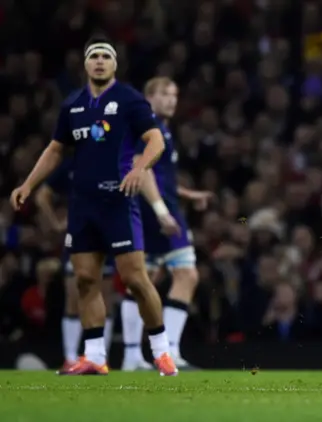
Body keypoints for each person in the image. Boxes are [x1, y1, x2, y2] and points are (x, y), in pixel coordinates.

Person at [10, 35, 177, 376]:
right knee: (86, 279)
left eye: (106, 56)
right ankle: (95, 356)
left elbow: (155, 139)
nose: (100, 61)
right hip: (83, 205)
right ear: (85, 64)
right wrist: (29, 183)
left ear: (114, 64)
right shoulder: (72, 104)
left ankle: (161, 351)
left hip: (118, 203)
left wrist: (138, 167)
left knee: (135, 280)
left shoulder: (130, 99)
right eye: (94, 56)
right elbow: (56, 149)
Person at [120, 76, 212, 370]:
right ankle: (162, 352)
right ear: (150, 96)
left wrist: (188, 194)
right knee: (179, 275)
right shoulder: (146, 127)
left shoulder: (162, 130)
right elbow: (140, 169)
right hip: (151, 211)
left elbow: (161, 177)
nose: (172, 100)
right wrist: (160, 211)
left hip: (160, 208)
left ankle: (138, 354)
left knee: (148, 279)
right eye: (165, 94)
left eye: (175, 94)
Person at [34, 158, 117, 371]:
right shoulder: (70, 165)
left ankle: (99, 359)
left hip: (106, 235)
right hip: (78, 234)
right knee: (74, 296)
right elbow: (42, 196)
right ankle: (70, 358)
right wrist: (55, 224)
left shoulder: (111, 161)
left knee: (105, 298)